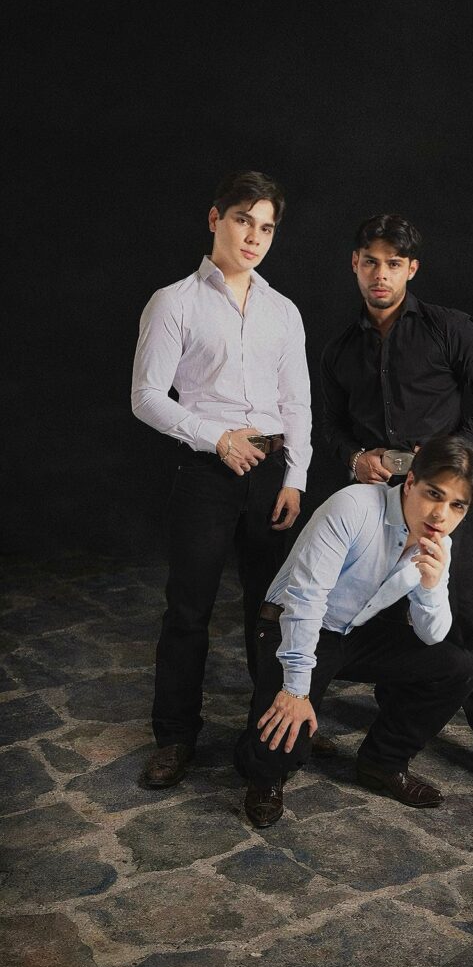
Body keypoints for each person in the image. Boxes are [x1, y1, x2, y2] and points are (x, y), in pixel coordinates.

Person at [320, 213, 473, 794]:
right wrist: (354, 458)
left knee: (469, 617)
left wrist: (451, 455)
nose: (381, 274)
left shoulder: (448, 328)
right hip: (376, 502)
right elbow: (330, 424)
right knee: (385, 614)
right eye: (371, 262)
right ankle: (393, 737)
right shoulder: (341, 347)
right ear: (355, 264)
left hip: (440, 496)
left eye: (393, 264)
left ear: (411, 269)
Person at [132, 170, 312, 788]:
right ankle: (175, 736)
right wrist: (217, 438)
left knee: (272, 610)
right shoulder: (174, 301)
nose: (254, 237)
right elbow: (146, 396)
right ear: (215, 219)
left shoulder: (283, 311)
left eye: (267, 227)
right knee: (189, 609)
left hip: (271, 474)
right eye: (243, 220)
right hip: (207, 472)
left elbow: (297, 402)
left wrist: (296, 478)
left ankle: (270, 732)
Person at [234, 436, 473, 827]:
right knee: (286, 749)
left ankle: (382, 763)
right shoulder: (353, 506)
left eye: (457, 505)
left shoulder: (440, 544)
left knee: (458, 667)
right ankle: (263, 771)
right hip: (292, 622)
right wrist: (295, 691)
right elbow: (305, 599)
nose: (441, 515)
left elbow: (432, 636)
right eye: (434, 494)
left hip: (353, 629)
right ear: (410, 482)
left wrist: (431, 588)